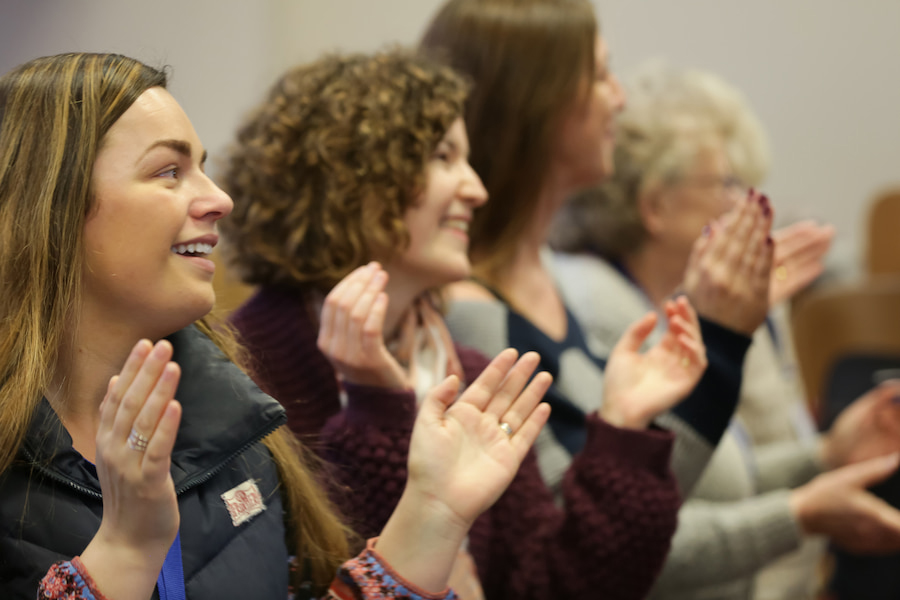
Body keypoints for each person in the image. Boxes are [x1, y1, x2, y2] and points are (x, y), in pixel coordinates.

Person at [0, 52, 553, 600]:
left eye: (202, 167)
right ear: (55, 207)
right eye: (168, 171)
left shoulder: (231, 414)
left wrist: (431, 514)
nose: (220, 199)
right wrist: (123, 553)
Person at [221, 49, 706, 600]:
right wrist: (376, 407)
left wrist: (623, 425)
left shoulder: (463, 371)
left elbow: (555, 585)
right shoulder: (245, 372)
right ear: (356, 173)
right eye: (444, 157)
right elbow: (349, 574)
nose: (476, 189)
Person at [549, 60, 900, 600]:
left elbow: (722, 482)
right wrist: (802, 512)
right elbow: (642, 527)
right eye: (728, 184)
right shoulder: (608, 312)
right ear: (656, 206)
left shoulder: (696, 304)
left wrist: (825, 453)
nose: (746, 206)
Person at [419, 0, 772, 508]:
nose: (621, 99)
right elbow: (599, 533)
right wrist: (719, 344)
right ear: (540, 104)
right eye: (603, 75)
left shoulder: (550, 276)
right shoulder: (474, 317)